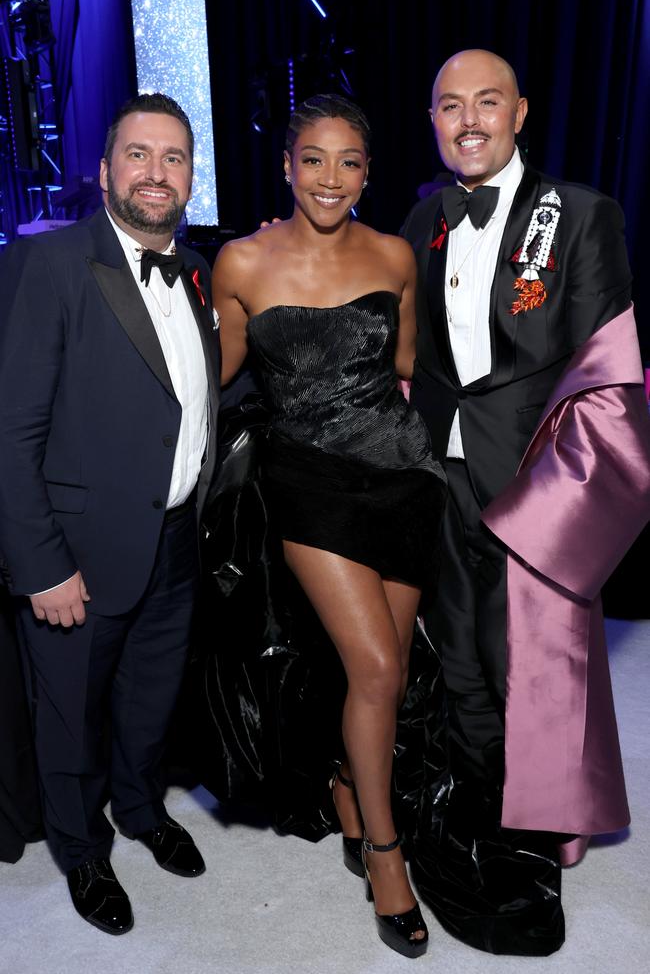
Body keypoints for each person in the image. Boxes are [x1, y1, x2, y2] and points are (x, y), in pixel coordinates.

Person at [401, 49, 650, 955]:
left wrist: (570, 489)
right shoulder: (422, 218)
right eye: (449, 105)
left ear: (521, 113)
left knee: (535, 666)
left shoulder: (580, 215)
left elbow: (607, 366)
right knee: (458, 648)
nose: (468, 119)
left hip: (536, 477)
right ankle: (481, 797)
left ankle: (540, 817)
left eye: (487, 102)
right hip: (440, 470)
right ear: (432, 120)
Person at [212, 93, 446, 959]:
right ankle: (385, 857)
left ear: (368, 173)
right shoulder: (240, 261)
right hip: (307, 481)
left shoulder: (393, 255)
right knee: (378, 667)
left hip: (402, 475)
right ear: (286, 165)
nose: (330, 177)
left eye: (349, 161)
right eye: (314, 158)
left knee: (387, 670)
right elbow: (213, 373)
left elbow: (410, 367)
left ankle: (353, 781)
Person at [0, 93, 221, 935]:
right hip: (77, 553)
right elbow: (11, 431)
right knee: (68, 717)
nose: (156, 173)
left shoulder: (197, 267)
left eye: (173, 158)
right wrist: (41, 564)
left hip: (171, 540)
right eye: (139, 155)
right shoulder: (51, 265)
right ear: (104, 171)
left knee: (148, 700)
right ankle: (82, 852)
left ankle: (140, 809)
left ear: (190, 175)